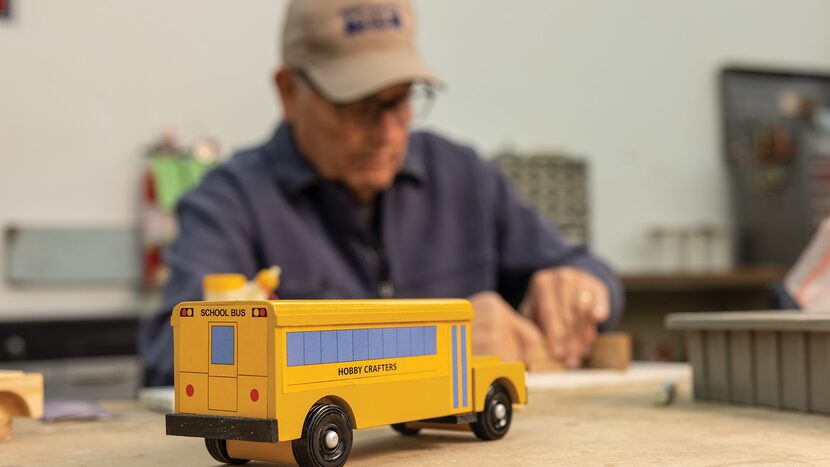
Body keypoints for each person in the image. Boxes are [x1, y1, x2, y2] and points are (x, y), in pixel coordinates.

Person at [138, 0, 623, 386]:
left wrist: (579, 289)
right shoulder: (230, 203)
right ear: (288, 91)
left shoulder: (464, 178)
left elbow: (592, 272)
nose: (390, 133)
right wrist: (427, 344)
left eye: (403, 99)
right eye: (359, 106)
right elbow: (174, 356)